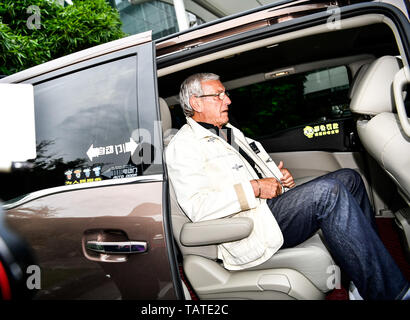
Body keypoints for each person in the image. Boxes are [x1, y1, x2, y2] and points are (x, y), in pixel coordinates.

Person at [165, 72, 410, 300]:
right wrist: (255, 188)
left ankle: (364, 277)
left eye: (225, 93)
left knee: (349, 178)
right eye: (218, 95)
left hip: (268, 210)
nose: (227, 100)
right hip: (248, 227)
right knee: (329, 192)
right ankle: (389, 293)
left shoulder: (227, 131)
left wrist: (279, 179)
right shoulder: (183, 146)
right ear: (196, 103)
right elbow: (199, 208)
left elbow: (251, 167)